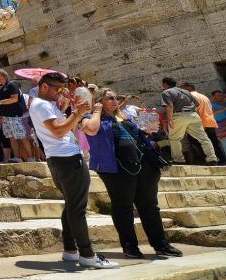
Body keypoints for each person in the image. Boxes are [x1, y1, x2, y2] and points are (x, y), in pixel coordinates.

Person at [31, 71, 119, 269]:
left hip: (59, 158)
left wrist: (67, 106)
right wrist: (77, 112)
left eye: (63, 89)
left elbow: (58, 126)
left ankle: (71, 250)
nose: (61, 92)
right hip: (67, 159)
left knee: (71, 205)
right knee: (78, 209)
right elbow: (59, 130)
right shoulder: (42, 104)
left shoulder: (47, 104)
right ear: (44, 87)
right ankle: (87, 254)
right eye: (57, 89)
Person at [82, 88, 181, 259]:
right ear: (99, 101)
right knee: (123, 206)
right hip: (116, 168)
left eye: (116, 97)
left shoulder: (123, 117)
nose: (114, 100)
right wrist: (97, 110)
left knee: (149, 205)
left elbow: (139, 136)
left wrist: (148, 129)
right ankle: (130, 247)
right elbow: (90, 130)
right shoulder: (90, 117)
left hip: (143, 165)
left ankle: (161, 244)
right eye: (109, 98)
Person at [161, 76, 218, 165]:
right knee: (203, 138)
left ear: (165, 84)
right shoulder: (186, 92)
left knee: (175, 139)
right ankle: (212, 158)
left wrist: (170, 119)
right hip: (193, 115)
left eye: (162, 84)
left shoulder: (166, 92)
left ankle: (178, 159)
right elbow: (197, 104)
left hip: (179, 115)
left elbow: (169, 106)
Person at [180, 82, 226, 165]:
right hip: (210, 122)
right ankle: (221, 160)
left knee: (198, 142)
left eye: (182, 88)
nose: (181, 91)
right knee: (214, 142)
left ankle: (209, 160)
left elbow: (194, 111)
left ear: (189, 88)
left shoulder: (191, 96)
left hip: (201, 123)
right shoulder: (203, 96)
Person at [0, 70, 32, 163]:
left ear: (2, 76)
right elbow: (1, 104)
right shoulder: (2, 88)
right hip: (5, 117)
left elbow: (14, 99)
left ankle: (31, 158)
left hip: (14, 116)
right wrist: (0, 115)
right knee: (12, 138)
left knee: (22, 137)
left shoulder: (12, 84)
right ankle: (17, 158)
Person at [212, 90, 226, 157]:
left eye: (221, 95)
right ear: (213, 97)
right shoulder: (211, 105)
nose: (221, 97)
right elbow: (213, 113)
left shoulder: (224, 104)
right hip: (219, 127)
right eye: (218, 96)